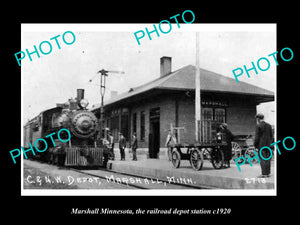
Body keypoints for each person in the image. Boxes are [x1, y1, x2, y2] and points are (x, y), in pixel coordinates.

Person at [254, 113, 273, 178]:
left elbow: (257, 137)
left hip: (261, 145)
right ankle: (268, 173)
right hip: (269, 145)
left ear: (258, 119)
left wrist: (255, 145)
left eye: (257, 119)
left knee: (262, 159)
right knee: (267, 159)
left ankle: (264, 174)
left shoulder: (258, 126)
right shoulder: (269, 125)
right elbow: (271, 136)